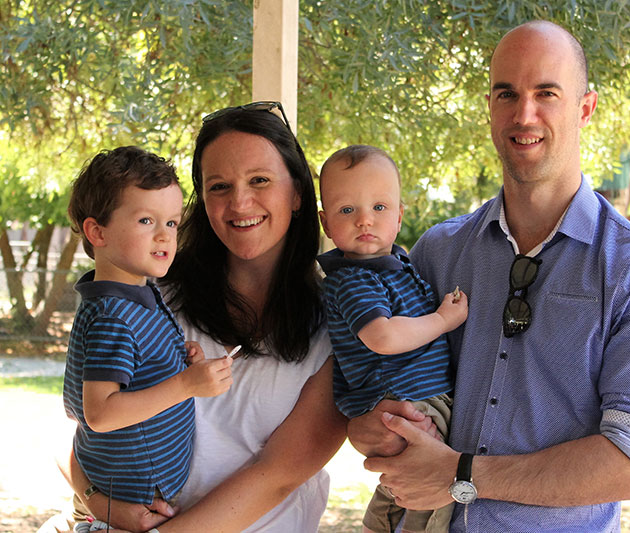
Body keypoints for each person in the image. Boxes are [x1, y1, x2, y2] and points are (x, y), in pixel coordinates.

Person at [348, 20, 630, 532]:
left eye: (546, 93)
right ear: (489, 106)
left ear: (585, 108)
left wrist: (460, 475)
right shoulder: (435, 254)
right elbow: (363, 407)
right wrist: (375, 427)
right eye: (506, 93)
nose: (523, 113)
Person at [47, 102, 347, 533]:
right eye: (219, 186)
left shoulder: (339, 321)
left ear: (298, 192)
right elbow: (81, 427)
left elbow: (277, 475)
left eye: (259, 180)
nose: (239, 202)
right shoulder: (147, 294)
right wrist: (99, 501)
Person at [63, 146, 234, 532]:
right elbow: (101, 414)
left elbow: (136, 365)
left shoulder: (140, 294)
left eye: (172, 223)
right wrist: (186, 384)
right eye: (146, 220)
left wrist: (181, 356)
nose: (164, 235)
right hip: (127, 509)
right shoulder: (111, 315)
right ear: (97, 231)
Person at [316, 145, 468, 533]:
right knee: (436, 488)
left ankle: (376, 526)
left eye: (379, 208)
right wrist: (442, 320)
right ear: (326, 223)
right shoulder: (354, 279)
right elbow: (382, 336)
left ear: (400, 216)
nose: (365, 219)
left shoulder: (396, 264)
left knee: (406, 479)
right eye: (347, 210)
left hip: (422, 397)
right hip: (406, 401)